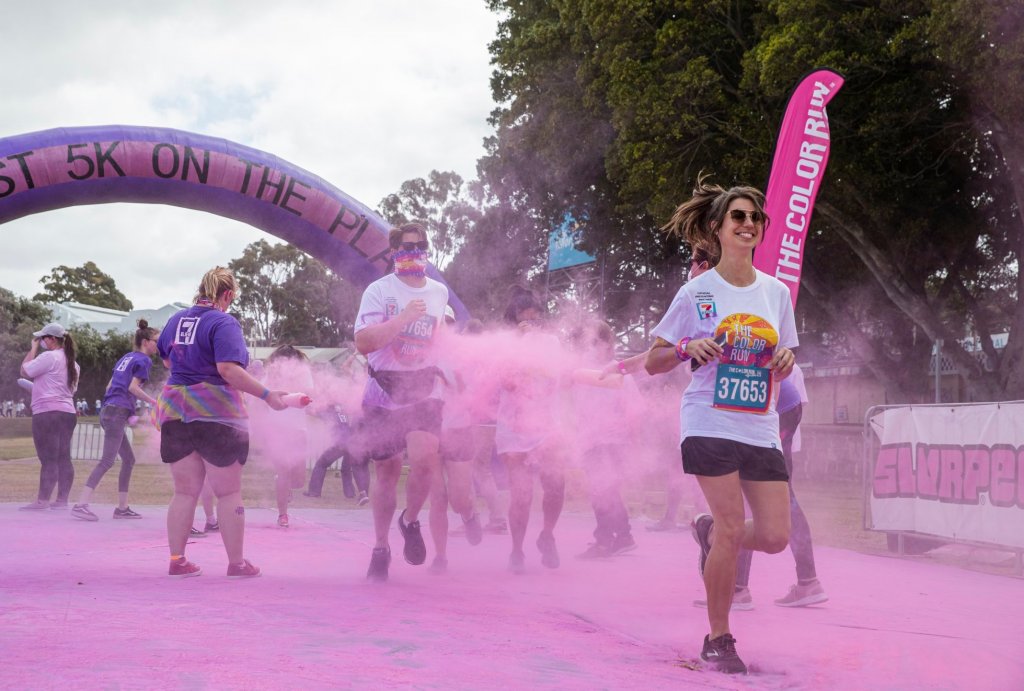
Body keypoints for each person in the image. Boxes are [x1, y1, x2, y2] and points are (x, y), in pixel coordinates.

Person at [645, 174, 797, 675]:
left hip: (759, 424)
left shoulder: (776, 294)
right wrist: (688, 348)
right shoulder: (697, 292)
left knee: (775, 536)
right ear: (717, 226)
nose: (748, 223)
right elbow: (654, 360)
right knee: (734, 528)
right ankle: (719, 637)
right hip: (708, 419)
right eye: (739, 215)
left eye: (755, 217)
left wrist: (784, 360)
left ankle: (708, 532)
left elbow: (787, 351)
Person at [156, 266, 288, 578]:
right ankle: (237, 563)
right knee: (228, 493)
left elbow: (166, 360)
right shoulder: (223, 322)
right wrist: (267, 394)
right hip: (217, 415)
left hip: (176, 413)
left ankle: (177, 559)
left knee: (184, 492)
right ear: (226, 294)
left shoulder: (175, 320)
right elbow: (228, 369)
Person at [354, 222, 449, 582]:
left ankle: (410, 521)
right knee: (387, 471)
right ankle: (381, 547)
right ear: (394, 252)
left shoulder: (439, 293)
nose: (415, 251)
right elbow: (364, 342)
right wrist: (404, 318)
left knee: (425, 462)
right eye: (407, 246)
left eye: (421, 245)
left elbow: (442, 339)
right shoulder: (379, 291)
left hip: (424, 388)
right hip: (384, 390)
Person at [695, 364, 827, 610]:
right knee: (780, 494)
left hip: (772, 408)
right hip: (777, 406)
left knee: (754, 492)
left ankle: (736, 589)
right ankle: (807, 581)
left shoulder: (708, 355)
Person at [495, 287, 566, 574]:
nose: (531, 326)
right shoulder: (503, 345)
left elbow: (556, 375)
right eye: (524, 321)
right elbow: (503, 380)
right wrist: (519, 345)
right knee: (521, 494)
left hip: (546, 425)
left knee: (556, 484)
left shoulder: (551, 343)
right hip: (513, 429)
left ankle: (547, 534)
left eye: (535, 320)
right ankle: (516, 550)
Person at [71, 320, 161, 521]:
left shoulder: (126, 358)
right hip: (116, 412)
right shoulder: (144, 361)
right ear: (146, 342)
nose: (159, 344)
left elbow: (110, 386)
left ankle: (122, 508)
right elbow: (133, 388)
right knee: (107, 460)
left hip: (109, 410)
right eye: (156, 341)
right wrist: (154, 402)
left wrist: (119, 408)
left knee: (128, 460)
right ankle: (81, 504)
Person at [571, 320, 642, 558]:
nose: (589, 349)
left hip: (610, 441)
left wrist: (633, 441)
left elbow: (633, 409)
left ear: (607, 344)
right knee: (604, 489)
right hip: (593, 439)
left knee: (603, 490)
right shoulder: (582, 372)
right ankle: (623, 536)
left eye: (594, 343)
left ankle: (604, 540)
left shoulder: (618, 370)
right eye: (586, 344)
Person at [427, 305, 484, 574]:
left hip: (459, 428)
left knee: (459, 498)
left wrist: (447, 379)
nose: (442, 328)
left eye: (447, 323)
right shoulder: (419, 353)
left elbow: (469, 396)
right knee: (437, 496)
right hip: (428, 431)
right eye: (438, 323)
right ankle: (440, 556)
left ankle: (470, 515)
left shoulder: (463, 356)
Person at [19, 323, 80, 511]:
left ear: (52, 339)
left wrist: (33, 348)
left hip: (46, 413)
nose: (42, 341)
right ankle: (61, 500)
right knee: (63, 457)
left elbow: (25, 370)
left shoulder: (48, 357)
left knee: (48, 458)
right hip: (67, 413)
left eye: (43, 338)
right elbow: (70, 390)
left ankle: (42, 501)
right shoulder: (74, 364)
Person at [260, 344, 315, 528]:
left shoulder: (303, 372)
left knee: (298, 478)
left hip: (298, 428)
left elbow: (310, 394)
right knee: (284, 471)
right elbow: (261, 395)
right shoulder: (270, 373)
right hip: (276, 428)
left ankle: (284, 486)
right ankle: (283, 514)